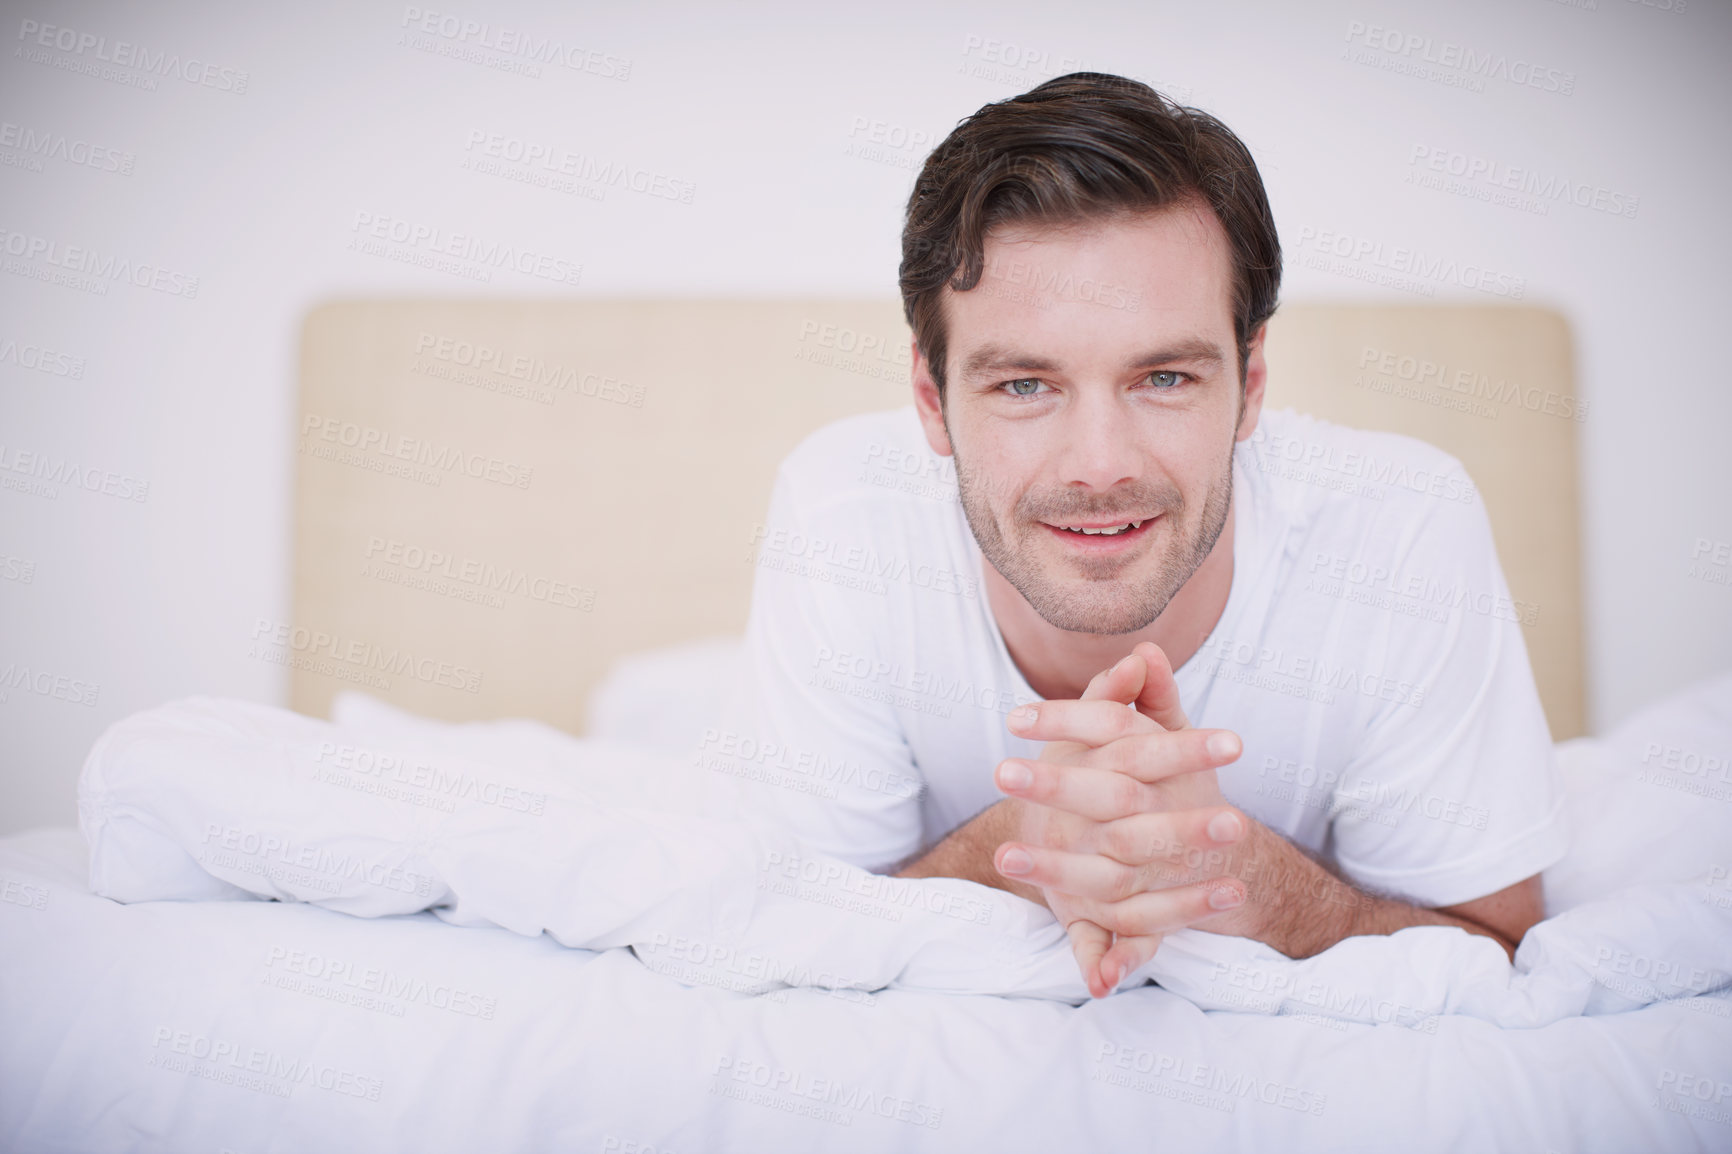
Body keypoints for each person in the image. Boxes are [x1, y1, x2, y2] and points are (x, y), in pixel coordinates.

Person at [712, 72, 1565, 999]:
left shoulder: (1403, 531)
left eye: (1164, 378)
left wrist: (1240, 877)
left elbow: (1502, 949)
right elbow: (781, 942)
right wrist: (1022, 842)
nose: (1100, 465)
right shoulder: (843, 519)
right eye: (1024, 385)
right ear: (931, 399)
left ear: (1252, 380)